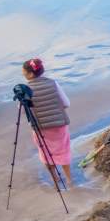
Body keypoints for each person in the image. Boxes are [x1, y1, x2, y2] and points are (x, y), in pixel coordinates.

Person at [20, 58, 73, 187]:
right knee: (63, 150)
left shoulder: (26, 89)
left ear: (31, 74)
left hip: (41, 127)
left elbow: (23, 111)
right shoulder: (53, 83)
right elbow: (66, 103)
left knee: (46, 153)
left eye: (24, 72)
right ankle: (69, 180)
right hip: (59, 124)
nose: (23, 74)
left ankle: (55, 179)